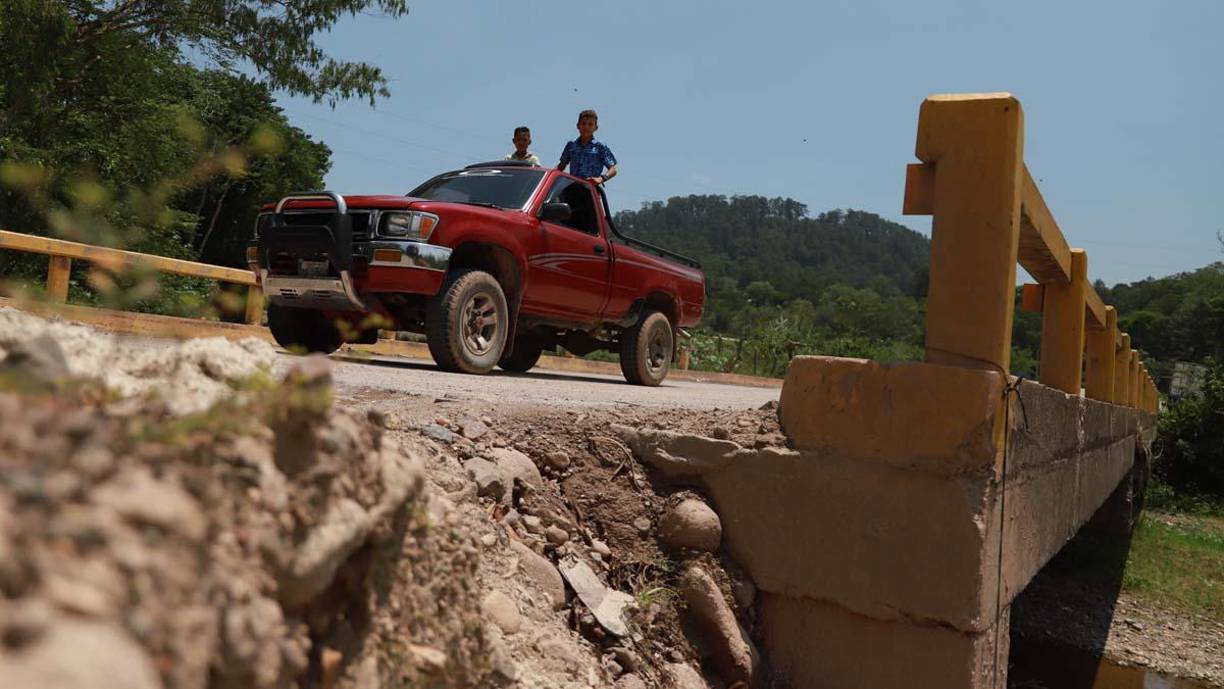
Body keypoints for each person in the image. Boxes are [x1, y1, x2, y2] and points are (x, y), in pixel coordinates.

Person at [557, 109, 617, 185]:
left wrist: (601, 178)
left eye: (590, 124)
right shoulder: (571, 145)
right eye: (583, 123)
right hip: (572, 188)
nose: (586, 127)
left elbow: (613, 170)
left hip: (590, 189)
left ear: (596, 128)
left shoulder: (600, 146)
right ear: (578, 126)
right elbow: (561, 166)